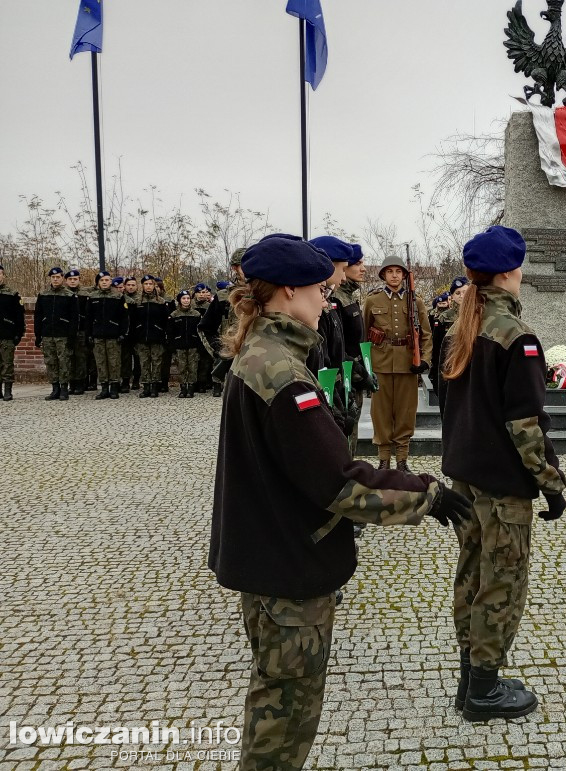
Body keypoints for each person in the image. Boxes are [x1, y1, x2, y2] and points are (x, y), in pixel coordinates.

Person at [209, 234, 470, 769]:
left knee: (274, 696)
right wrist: (428, 495)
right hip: (288, 568)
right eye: (317, 290)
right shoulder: (282, 372)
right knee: (286, 713)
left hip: (267, 555)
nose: (325, 301)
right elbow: (340, 482)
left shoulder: (259, 352)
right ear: (287, 291)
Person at [441, 225, 566, 722]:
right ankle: (484, 691)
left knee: (472, 574)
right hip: (500, 484)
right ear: (513, 273)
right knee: (503, 582)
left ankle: (470, 678)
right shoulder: (516, 337)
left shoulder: (460, 328)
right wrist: (550, 482)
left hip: (466, 478)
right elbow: (525, 425)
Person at [363, 255, 432, 471]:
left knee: (405, 412)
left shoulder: (416, 301)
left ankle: (402, 459)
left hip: (407, 363)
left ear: (404, 275)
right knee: (381, 412)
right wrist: (365, 366)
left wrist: (425, 361)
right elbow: (364, 334)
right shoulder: (372, 301)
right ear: (383, 275)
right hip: (380, 362)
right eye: (390, 271)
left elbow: (426, 335)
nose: (394, 275)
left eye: (398, 271)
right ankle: (384, 459)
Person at [328, 240, 376, 457]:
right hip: (343, 379)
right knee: (343, 439)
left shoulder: (348, 297)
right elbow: (337, 349)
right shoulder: (336, 299)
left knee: (350, 438)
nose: (363, 268)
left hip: (352, 377)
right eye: (357, 263)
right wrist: (360, 375)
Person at [199, 250, 247, 398]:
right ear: (234, 268)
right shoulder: (223, 297)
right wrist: (220, 351)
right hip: (233, 362)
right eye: (243, 265)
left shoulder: (264, 293)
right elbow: (204, 328)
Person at [35, 267, 79, 401]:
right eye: (53, 277)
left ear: (62, 278)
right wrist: (38, 335)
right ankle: (55, 388)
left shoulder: (69, 295)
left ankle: (64, 387)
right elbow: (38, 316)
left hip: (63, 335)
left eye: (58, 277)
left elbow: (74, 318)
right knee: (50, 361)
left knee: (64, 361)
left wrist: (72, 336)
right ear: (50, 278)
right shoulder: (43, 295)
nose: (55, 279)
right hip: (48, 333)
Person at [86, 270, 130, 400]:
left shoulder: (117, 296)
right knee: (101, 362)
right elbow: (88, 318)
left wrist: (123, 333)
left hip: (113, 335)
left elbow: (124, 318)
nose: (104, 282)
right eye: (102, 280)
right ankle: (104, 388)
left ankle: (114, 387)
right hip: (98, 335)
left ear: (111, 282)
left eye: (106, 280)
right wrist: (89, 334)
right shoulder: (92, 297)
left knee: (114, 362)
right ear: (98, 283)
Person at [433, 277, 470, 416]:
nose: (462, 296)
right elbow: (437, 348)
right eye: (458, 293)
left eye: (465, 292)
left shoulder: (479, 313)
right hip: (451, 367)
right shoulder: (444, 317)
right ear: (452, 297)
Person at [130, 275, 170, 398]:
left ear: (154, 286)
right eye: (146, 284)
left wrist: (164, 335)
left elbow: (165, 321)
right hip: (141, 337)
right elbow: (132, 320)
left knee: (156, 363)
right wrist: (134, 335)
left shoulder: (161, 302)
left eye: (150, 284)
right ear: (142, 285)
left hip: (157, 337)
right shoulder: (137, 301)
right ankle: (146, 386)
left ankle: (154, 386)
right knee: (144, 362)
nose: (148, 286)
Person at [169, 290, 202, 398]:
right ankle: (183, 388)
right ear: (179, 300)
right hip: (179, 345)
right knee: (181, 367)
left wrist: (199, 344)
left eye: (188, 298)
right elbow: (170, 332)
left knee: (193, 367)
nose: (186, 300)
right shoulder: (174, 315)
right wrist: (172, 345)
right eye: (183, 298)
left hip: (193, 345)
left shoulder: (196, 314)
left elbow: (200, 331)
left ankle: (191, 388)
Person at [64, 269, 92, 395]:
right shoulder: (64, 294)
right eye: (70, 279)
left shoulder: (85, 295)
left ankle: (81, 383)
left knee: (81, 358)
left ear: (79, 280)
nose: (73, 281)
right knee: (69, 358)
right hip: (66, 331)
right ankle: (72, 383)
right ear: (66, 281)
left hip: (81, 330)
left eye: (75, 279)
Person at [0, 265, 25, 402]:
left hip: (7, 334)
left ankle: (8, 390)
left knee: (7, 363)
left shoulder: (12, 293)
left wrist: (18, 333)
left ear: (3, 276)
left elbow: (19, 316)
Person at [192, 283, 214, 393]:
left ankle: (202, 383)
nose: (201, 295)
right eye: (199, 292)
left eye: (204, 292)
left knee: (205, 361)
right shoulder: (190, 305)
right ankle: (193, 383)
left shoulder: (210, 306)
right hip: (192, 337)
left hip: (205, 337)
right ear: (195, 294)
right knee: (194, 361)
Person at [122, 277, 142, 390]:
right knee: (125, 358)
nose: (130, 287)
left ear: (137, 286)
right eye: (128, 285)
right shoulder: (121, 298)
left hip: (137, 333)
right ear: (125, 286)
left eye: (133, 285)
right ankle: (125, 381)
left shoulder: (140, 299)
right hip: (125, 333)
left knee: (138, 357)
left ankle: (136, 380)